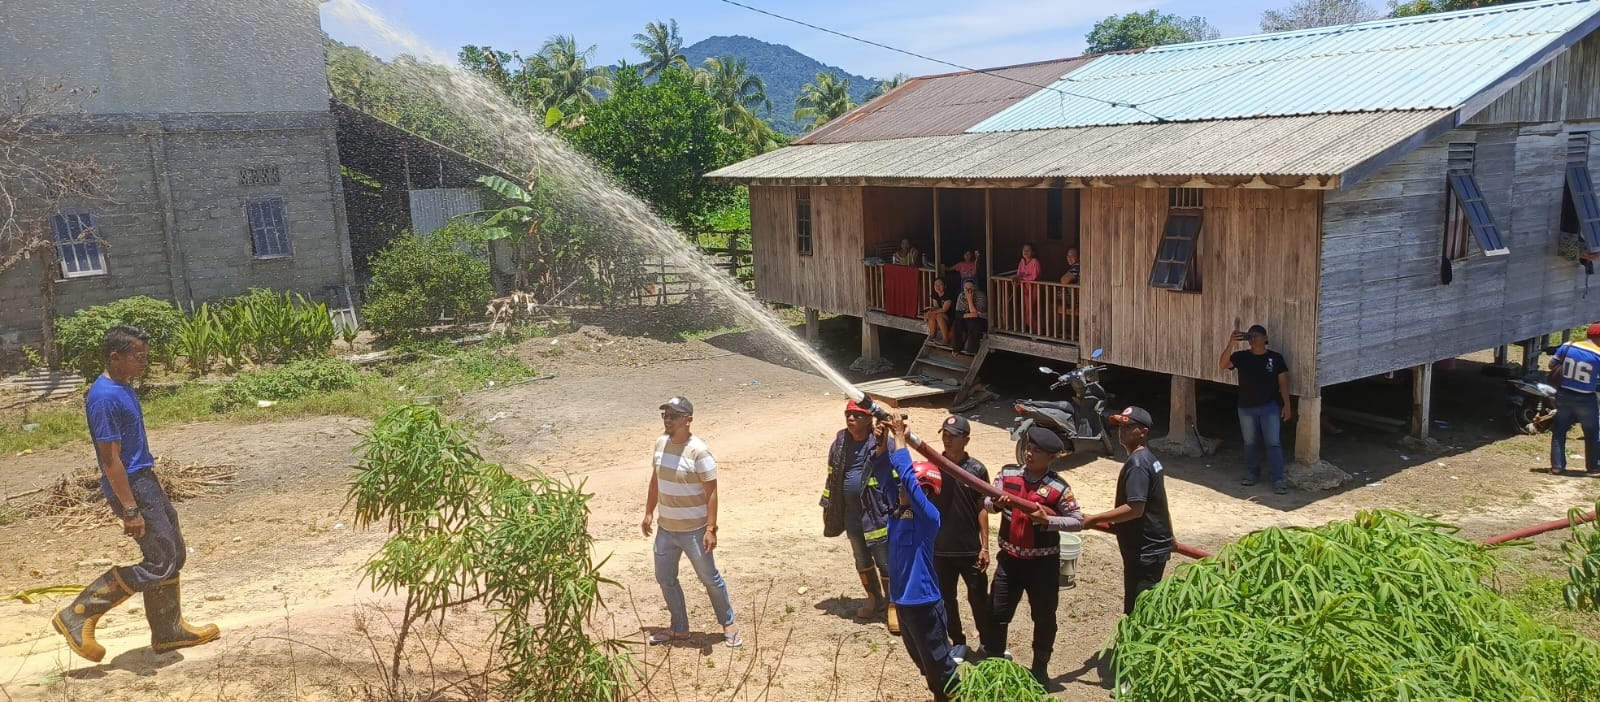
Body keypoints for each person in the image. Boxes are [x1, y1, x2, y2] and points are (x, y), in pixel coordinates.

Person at [53, 325, 219, 663]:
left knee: (173, 554)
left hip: (145, 480)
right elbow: (109, 460)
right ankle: (78, 613)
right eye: (138, 357)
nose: (144, 363)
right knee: (159, 561)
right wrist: (130, 509)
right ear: (115, 357)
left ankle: (168, 631)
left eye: (145, 357)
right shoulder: (104, 398)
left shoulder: (123, 386)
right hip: (131, 486)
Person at [979, 426, 1083, 684]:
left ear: (1052, 457)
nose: (1029, 454)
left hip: (1042, 565)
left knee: (1044, 617)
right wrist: (996, 503)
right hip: (1009, 561)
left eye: (1037, 451)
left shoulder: (1058, 487)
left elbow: (1077, 520)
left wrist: (1048, 520)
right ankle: (994, 665)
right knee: (996, 613)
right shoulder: (1008, 473)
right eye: (1028, 448)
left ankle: (1040, 669)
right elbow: (987, 503)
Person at [641, 396, 741, 647]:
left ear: (688, 420)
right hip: (666, 529)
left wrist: (711, 528)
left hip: (694, 531)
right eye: (665, 415)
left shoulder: (699, 451)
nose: (668, 420)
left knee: (709, 578)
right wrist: (649, 512)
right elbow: (656, 480)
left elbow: (711, 492)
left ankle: (729, 624)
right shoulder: (660, 444)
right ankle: (679, 628)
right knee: (665, 578)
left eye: (673, 416)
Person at [872, 415, 959, 701]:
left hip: (923, 604)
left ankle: (955, 696)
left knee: (940, 666)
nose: (900, 488)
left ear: (923, 490)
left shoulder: (928, 518)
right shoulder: (899, 512)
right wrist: (883, 441)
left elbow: (907, 479)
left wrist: (900, 438)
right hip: (903, 603)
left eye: (908, 487)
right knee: (924, 664)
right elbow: (885, 475)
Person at [1086, 407, 1174, 617]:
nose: (1122, 431)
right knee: (1144, 605)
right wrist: (1170, 536)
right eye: (1120, 426)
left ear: (1143, 432)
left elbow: (1135, 509)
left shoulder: (1137, 464)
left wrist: (1093, 519)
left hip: (1145, 550)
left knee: (1138, 610)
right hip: (1153, 546)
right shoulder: (1149, 459)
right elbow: (1160, 502)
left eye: (1128, 427)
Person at [820, 400, 899, 632]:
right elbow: (832, 478)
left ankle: (893, 605)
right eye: (848, 414)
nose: (851, 419)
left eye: (856, 415)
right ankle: (874, 600)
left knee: (885, 561)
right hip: (851, 515)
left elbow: (897, 479)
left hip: (876, 514)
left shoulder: (882, 443)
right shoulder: (839, 444)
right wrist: (827, 505)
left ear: (869, 419)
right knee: (862, 560)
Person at [930, 415, 991, 663]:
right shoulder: (933, 466)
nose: (947, 439)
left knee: (979, 598)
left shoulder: (977, 470)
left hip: (969, 549)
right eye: (945, 434)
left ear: (966, 440)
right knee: (946, 599)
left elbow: (982, 508)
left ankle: (987, 643)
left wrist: (985, 547)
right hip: (941, 548)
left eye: (953, 436)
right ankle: (957, 642)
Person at [1218, 324, 1292, 495]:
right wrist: (1231, 343)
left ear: (1265, 338)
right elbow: (1223, 364)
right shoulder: (1241, 356)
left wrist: (1287, 405)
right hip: (1246, 407)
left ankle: (1278, 479)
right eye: (1250, 335)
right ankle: (1252, 474)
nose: (1253, 338)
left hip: (1270, 406)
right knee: (1250, 443)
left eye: (1256, 335)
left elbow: (1283, 382)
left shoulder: (1275, 358)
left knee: (1273, 442)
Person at [1547, 323, 1600, 476]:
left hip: (1564, 394)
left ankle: (1557, 466)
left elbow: (1551, 365)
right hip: (1586, 398)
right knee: (1592, 432)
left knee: (1559, 431)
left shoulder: (1568, 346)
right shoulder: (1598, 354)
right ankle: (1594, 467)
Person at [953, 278, 988, 356]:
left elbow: (976, 314)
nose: (968, 290)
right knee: (957, 323)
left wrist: (969, 300)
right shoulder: (961, 295)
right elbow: (958, 313)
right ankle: (956, 348)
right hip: (967, 318)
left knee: (973, 322)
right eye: (966, 288)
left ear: (974, 287)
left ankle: (972, 350)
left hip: (981, 319)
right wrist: (967, 315)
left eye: (970, 288)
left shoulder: (981, 296)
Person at [922, 277, 955, 346]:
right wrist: (929, 311)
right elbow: (936, 308)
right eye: (936, 285)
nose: (937, 287)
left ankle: (945, 339)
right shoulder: (935, 293)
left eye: (940, 285)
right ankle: (932, 336)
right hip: (940, 316)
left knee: (939, 316)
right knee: (933, 315)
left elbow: (944, 309)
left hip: (950, 318)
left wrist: (931, 313)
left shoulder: (948, 294)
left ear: (945, 286)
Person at [1016, 244, 1041, 332]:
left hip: (1033, 289)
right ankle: (1027, 327)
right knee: (1025, 308)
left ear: (1033, 252)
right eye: (1024, 250)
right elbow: (1019, 274)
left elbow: (1034, 276)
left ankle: (1035, 330)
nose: (1025, 252)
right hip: (1024, 288)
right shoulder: (1022, 262)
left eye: (1028, 250)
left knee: (1032, 309)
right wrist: (1017, 279)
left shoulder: (1035, 262)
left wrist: (1023, 278)